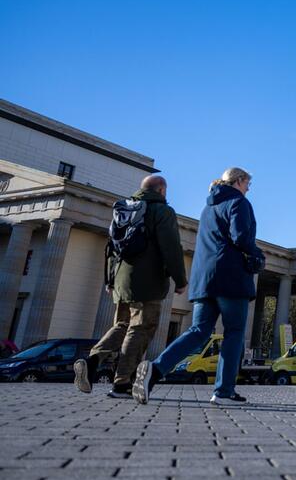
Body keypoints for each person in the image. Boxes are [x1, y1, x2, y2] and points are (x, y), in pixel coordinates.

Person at [133, 168, 264, 406]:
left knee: (198, 331)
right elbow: (241, 237)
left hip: (205, 278)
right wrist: (257, 254)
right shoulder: (238, 202)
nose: (248, 188)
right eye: (248, 183)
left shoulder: (208, 207)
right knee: (234, 333)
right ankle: (223, 392)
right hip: (231, 278)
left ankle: (155, 369)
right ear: (239, 181)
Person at [74, 175, 187, 398]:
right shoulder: (162, 211)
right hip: (148, 281)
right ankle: (122, 383)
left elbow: (111, 248)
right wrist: (180, 280)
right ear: (162, 190)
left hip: (121, 279)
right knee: (140, 328)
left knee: (122, 324)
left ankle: (92, 360)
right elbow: (171, 247)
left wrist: (109, 280)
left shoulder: (124, 210)